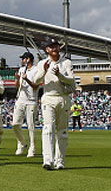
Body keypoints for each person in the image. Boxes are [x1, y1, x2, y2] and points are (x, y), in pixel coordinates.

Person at [33, 38, 75, 170]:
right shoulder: (42, 63)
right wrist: (44, 71)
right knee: (48, 129)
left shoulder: (66, 63)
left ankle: (60, 161)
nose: (54, 49)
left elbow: (71, 81)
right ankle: (48, 160)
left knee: (62, 131)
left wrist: (60, 75)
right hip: (48, 98)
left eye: (56, 46)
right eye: (51, 47)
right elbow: (35, 81)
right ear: (47, 50)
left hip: (63, 98)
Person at [12, 52, 39, 157]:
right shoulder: (21, 69)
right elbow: (17, 86)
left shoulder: (36, 70)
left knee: (31, 126)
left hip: (31, 101)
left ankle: (32, 148)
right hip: (20, 99)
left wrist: (26, 78)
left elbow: (36, 86)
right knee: (15, 124)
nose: (22, 60)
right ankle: (22, 143)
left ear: (28, 59)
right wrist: (18, 78)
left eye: (23, 58)